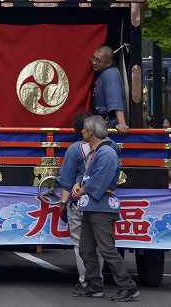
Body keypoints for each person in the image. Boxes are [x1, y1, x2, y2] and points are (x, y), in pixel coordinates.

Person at [70, 116, 138, 302]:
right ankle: (94, 285)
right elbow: (88, 175)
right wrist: (79, 185)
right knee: (86, 248)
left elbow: (100, 178)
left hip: (101, 206)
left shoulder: (106, 152)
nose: (82, 131)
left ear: (91, 132)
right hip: (93, 204)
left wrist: (82, 189)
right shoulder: (97, 151)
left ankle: (127, 285)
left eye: (84, 129)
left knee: (106, 249)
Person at [58, 114, 103, 292]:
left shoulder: (74, 149)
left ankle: (86, 280)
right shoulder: (109, 147)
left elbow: (67, 181)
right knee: (99, 243)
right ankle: (98, 279)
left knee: (80, 243)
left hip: (79, 201)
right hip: (101, 201)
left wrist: (63, 202)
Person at [90, 46, 128, 133]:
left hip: (109, 125)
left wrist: (121, 123)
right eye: (93, 58)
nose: (94, 62)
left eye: (98, 60)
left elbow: (115, 99)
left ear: (108, 63)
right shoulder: (102, 73)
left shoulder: (111, 74)